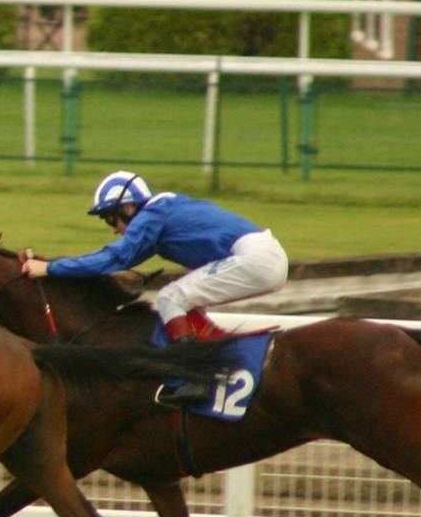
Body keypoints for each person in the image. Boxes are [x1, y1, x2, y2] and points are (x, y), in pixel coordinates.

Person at [19, 170, 289, 404]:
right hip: (263, 257)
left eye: (111, 219)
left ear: (128, 207)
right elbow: (110, 260)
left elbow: (113, 257)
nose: (114, 228)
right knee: (184, 299)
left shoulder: (153, 214)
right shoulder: (160, 213)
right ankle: (219, 355)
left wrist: (48, 269)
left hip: (256, 258)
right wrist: (53, 265)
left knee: (172, 297)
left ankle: (196, 375)